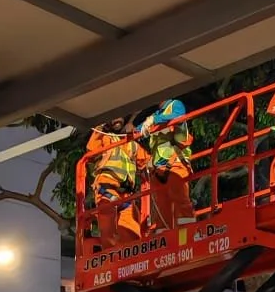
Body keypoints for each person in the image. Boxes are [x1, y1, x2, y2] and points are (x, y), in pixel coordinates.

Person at [83, 119, 148, 248]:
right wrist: (101, 126)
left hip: (127, 196)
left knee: (133, 235)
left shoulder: (132, 144)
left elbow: (147, 161)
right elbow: (91, 150)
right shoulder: (105, 138)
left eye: (120, 117)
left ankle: (130, 262)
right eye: (113, 117)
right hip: (107, 190)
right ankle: (110, 261)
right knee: (109, 233)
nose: (117, 119)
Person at [136, 97, 194, 229]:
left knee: (181, 202)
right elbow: (139, 130)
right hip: (158, 170)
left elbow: (177, 116)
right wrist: (134, 129)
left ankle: (187, 234)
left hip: (175, 164)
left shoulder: (175, 105)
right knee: (162, 208)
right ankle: (164, 238)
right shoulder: (156, 115)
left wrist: (153, 120)